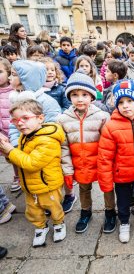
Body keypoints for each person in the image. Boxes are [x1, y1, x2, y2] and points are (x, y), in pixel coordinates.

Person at [0, 100, 66, 247]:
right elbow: (20, 159)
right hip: (29, 185)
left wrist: (11, 150)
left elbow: (31, 163)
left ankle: (58, 223)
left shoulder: (47, 140)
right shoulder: (25, 136)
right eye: (16, 120)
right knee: (33, 211)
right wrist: (8, 153)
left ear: (40, 118)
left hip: (48, 185)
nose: (20, 123)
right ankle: (41, 227)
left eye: (25, 118)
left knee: (54, 207)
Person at [98, 79, 134, 243]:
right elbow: (105, 157)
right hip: (121, 175)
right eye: (121, 102)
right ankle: (124, 222)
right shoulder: (111, 127)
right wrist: (106, 182)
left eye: (130, 100)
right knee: (122, 202)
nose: (125, 105)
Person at [56, 70, 113, 233]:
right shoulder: (63, 119)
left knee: (107, 187)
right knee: (84, 188)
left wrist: (108, 162)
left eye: (84, 94)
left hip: (100, 161)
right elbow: (64, 147)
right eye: (74, 94)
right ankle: (86, 211)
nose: (80, 99)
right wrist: (67, 170)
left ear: (92, 96)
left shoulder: (102, 116)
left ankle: (110, 211)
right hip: (79, 161)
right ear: (69, 97)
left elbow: (108, 142)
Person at [8, 60, 61, 148]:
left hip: (41, 148)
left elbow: (52, 127)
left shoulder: (47, 102)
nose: (9, 78)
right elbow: (13, 126)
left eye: (13, 74)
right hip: (21, 148)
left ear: (25, 79)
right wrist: (16, 144)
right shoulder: (17, 99)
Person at [0, 58, 21, 193]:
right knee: (9, 156)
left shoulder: (14, 90)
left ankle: (22, 176)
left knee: (18, 154)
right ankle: (16, 176)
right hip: (2, 132)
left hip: (16, 129)